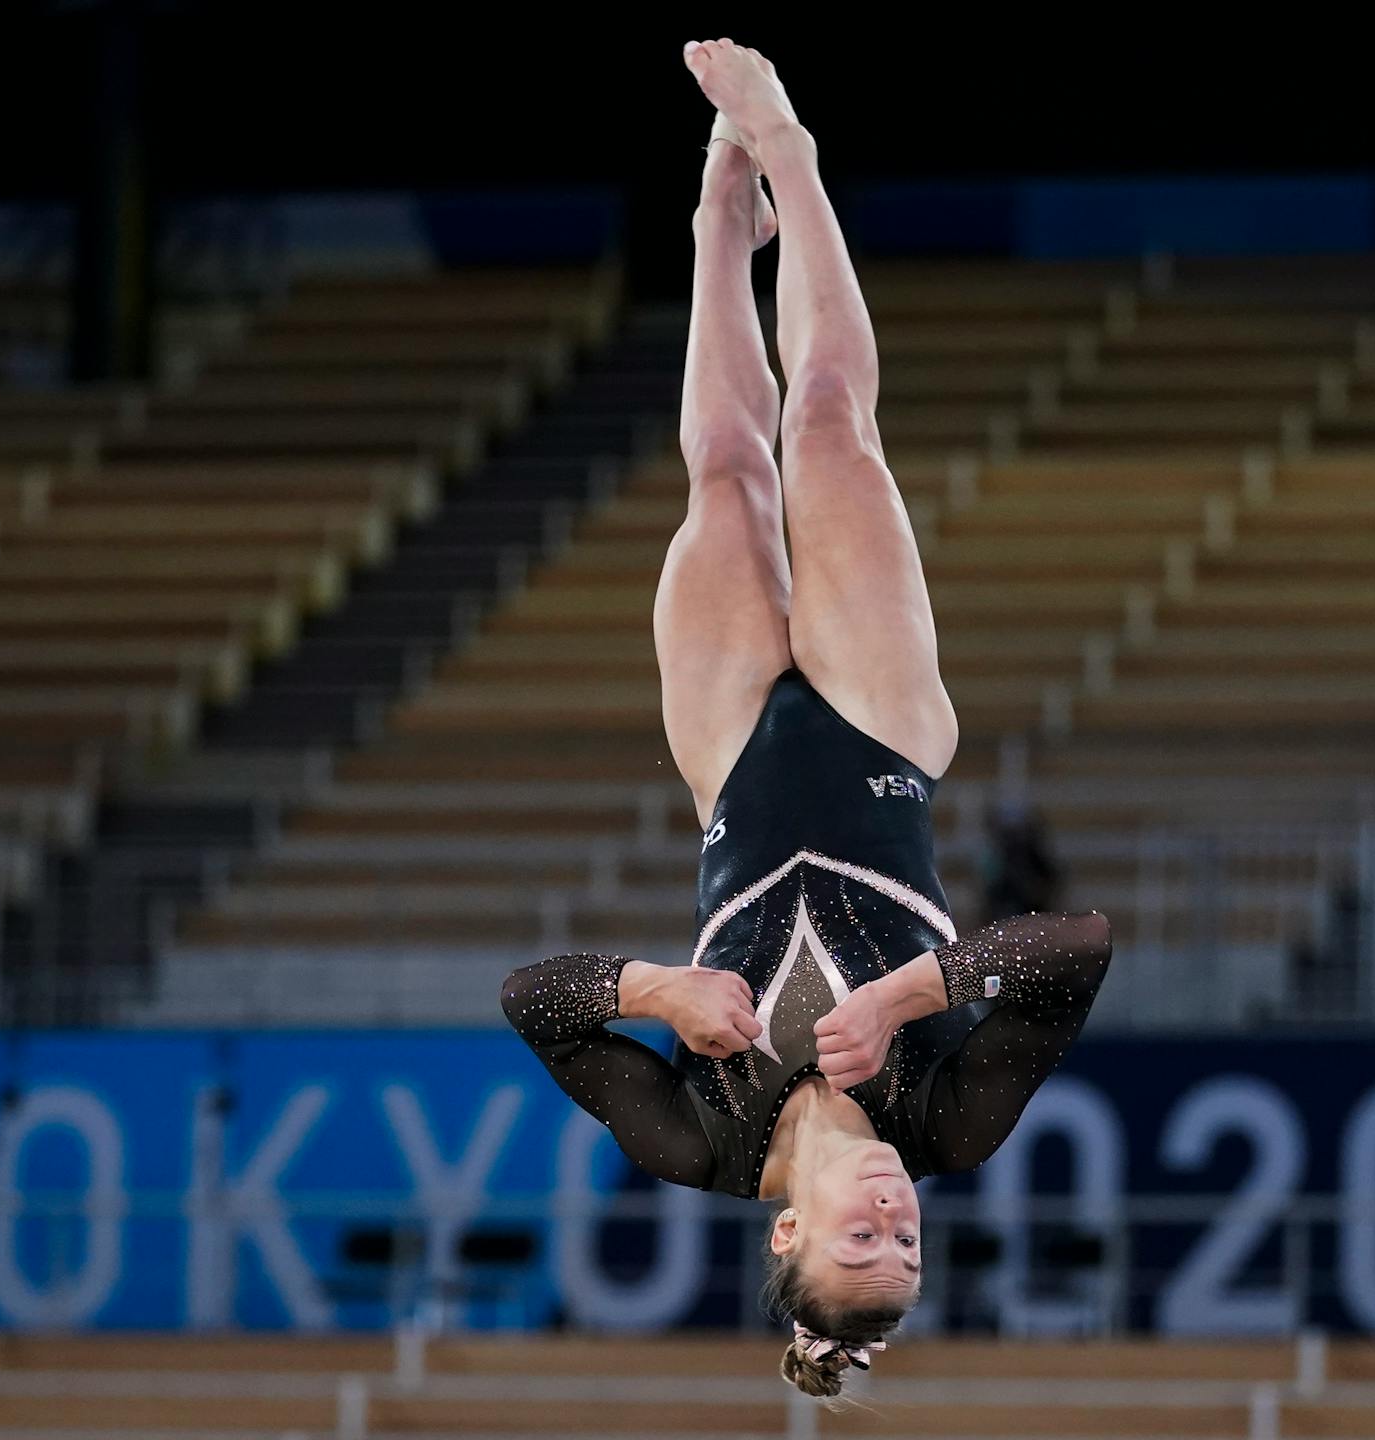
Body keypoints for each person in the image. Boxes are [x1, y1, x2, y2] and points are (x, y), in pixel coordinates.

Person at [501, 38, 1113, 1398]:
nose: (900, 1214)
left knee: (724, 475)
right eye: (909, 1244)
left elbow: (531, 1005)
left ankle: (721, 210)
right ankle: (789, 148)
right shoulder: (952, 1120)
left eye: (864, 1238)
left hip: (730, 764)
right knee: (830, 429)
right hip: (881, 735)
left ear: (789, 1230)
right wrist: (908, 991)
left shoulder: (700, 1144)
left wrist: (652, 991)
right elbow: (1076, 950)